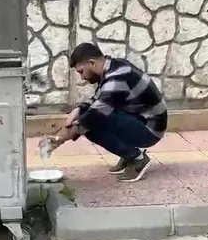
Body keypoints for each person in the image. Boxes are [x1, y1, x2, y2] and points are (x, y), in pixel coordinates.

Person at [47, 42, 168, 183]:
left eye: (81, 71)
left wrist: (59, 138)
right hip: (140, 119)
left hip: (150, 129)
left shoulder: (117, 77)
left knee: (92, 124)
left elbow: (96, 114)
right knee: (89, 116)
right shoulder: (113, 68)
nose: (82, 77)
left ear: (92, 63)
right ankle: (129, 154)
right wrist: (79, 109)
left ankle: (137, 159)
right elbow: (99, 99)